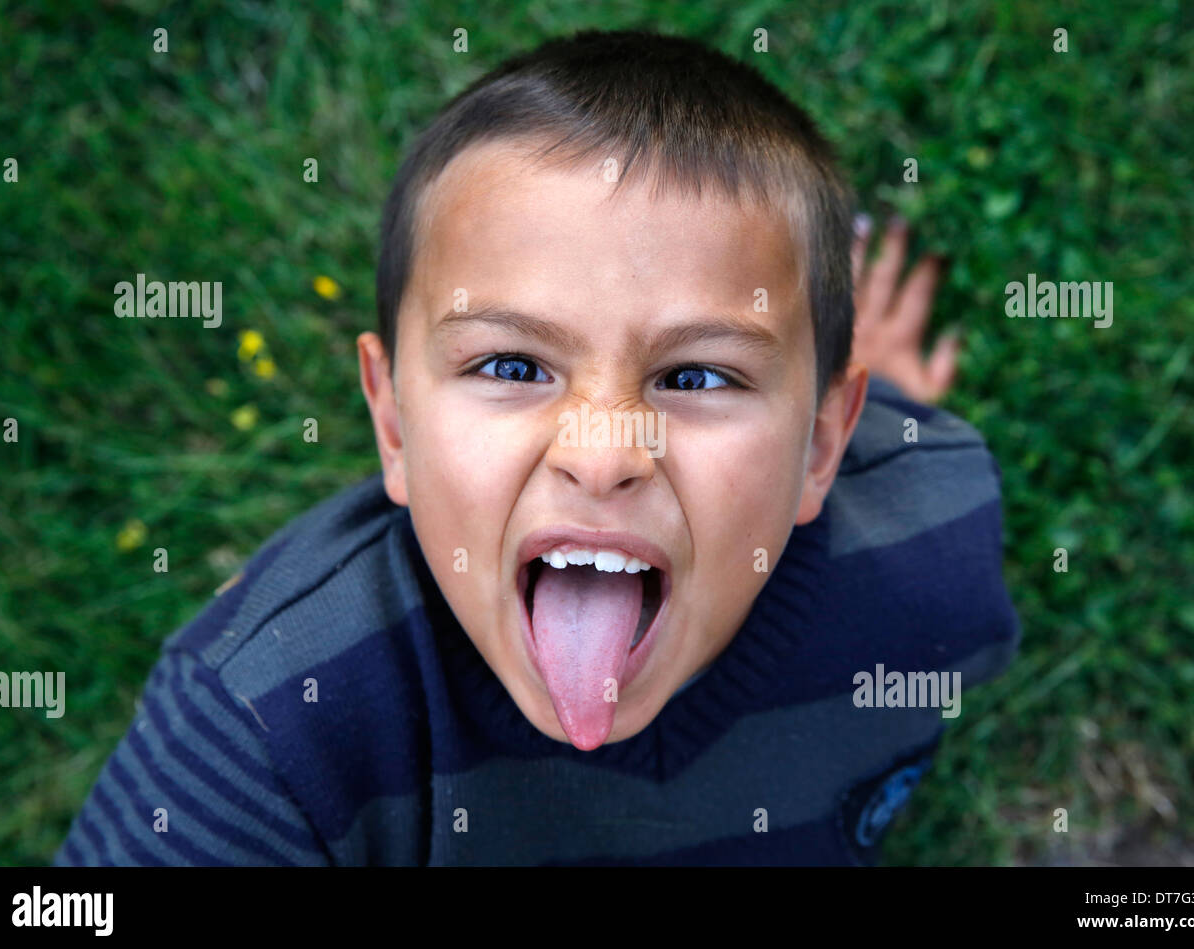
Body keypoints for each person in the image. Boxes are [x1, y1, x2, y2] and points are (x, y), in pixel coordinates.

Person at [55, 29, 1017, 865]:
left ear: (822, 447)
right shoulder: (272, 726)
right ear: (391, 424)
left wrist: (884, 401)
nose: (602, 456)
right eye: (514, 367)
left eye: (695, 377)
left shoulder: (929, 541)